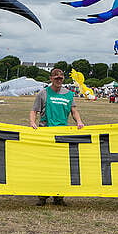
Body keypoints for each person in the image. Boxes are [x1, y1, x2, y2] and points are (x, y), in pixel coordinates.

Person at [29, 68, 85, 206]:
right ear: (51, 79)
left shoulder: (69, 94)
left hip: (62, 134)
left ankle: (59, 196)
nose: (58, 80)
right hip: (46, 133)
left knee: (61, 166)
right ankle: (42, 196)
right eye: (56, 78)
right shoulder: (43, 93)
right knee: (45, 166)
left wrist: (79, 121)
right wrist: (32, 122)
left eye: (60, 78)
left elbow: (74, 111)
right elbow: (34, 111)